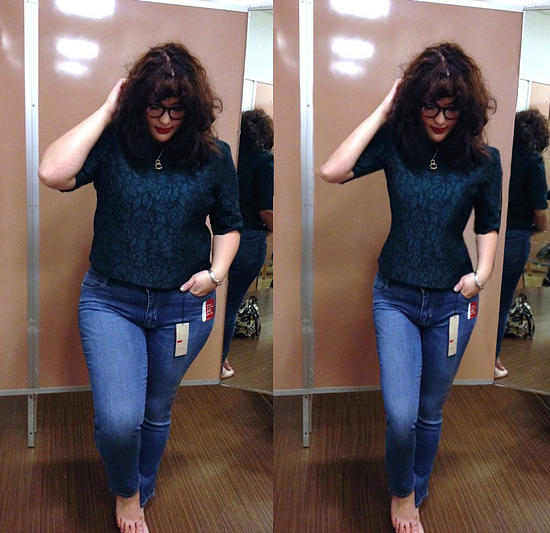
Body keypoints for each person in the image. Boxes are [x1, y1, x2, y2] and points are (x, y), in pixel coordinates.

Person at [38, 43, 242, 533]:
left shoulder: (215, 157)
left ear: (192, 108)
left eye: (176, 109)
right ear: (136, 102)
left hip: (183, 307)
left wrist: (215, 274)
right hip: (111, 301)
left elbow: (231, 224)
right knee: (118, 419)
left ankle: (138, 492)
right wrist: (108, 110)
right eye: (155, 106)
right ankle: (126, 490)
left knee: (156, 409)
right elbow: (52, 172)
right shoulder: (113, 144)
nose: (165, 119)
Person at [320, 43, 501, 533]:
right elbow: (332, 171)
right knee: (401, 415)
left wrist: (482, 275)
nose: (439, 119)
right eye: (429, 107)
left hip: (453, 301)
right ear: (414, 102)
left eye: (450, 109)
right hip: (395, 297)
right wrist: (385, 109)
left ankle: (414, 489)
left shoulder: (484, 161)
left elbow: (489, 224)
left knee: (429, 410)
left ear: (466, 108)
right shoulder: (397, 145)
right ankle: (402, 493)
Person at [495, 109, 548, 378]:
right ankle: (491, 361)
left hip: (487, 231)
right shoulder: (534, 160)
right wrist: (541, 228)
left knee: (479, 297)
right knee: (502, 302)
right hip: (515, 236)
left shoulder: (498, 152)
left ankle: (471, 358)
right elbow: (540, 211)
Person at [221, 109, 274, 379]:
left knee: (217, 301)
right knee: (231, 305)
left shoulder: (228, 157)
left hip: (222, 236)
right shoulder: (264, 161)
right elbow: (267, 210)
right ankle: (219, 362)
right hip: (250, 237)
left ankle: (212, 359)